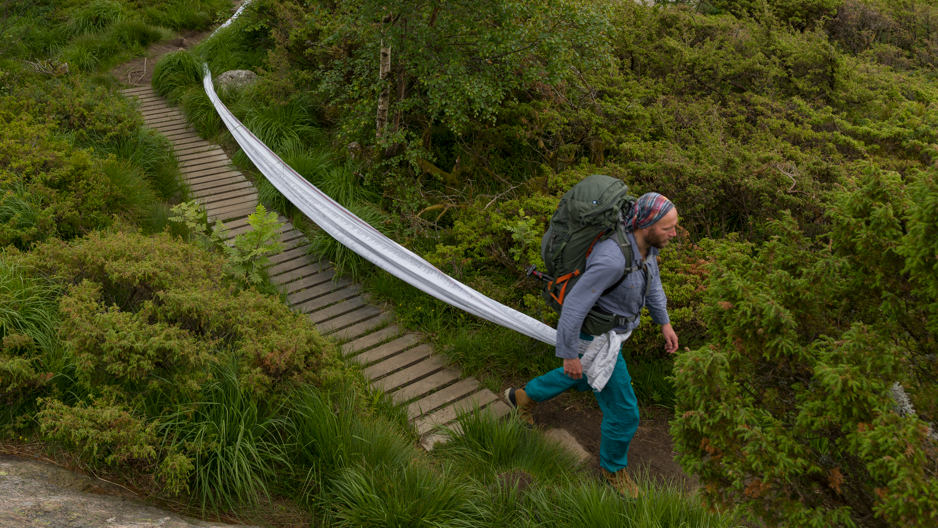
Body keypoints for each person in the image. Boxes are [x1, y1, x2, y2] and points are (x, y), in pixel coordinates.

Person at [505, 192, 680, 499]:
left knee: (583, 374)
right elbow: (573, 306)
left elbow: (652, 282)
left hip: (611, 336)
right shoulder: (612, 259)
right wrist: (570, 353)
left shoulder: (646, 248)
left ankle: (522, 398)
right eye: (668, 227)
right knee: (625, 413)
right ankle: (613, 471)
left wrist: (663, 322)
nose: (674, 233)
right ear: (646, 225)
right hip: (598, 338)